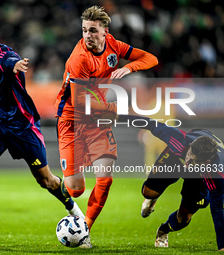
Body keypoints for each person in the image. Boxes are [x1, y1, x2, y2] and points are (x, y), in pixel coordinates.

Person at [0, 13, 83, 245]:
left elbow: (8, 63)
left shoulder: (7, 56)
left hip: (23, 126)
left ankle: (77, 214)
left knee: (46, 180)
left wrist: (17, 65)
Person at [54, 5, 158, 248]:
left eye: (92, 30)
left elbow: (151, 58)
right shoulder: (79, 58)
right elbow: (80, 102)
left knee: (105, 179)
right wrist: (115, 110)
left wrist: (127, 67)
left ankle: (84, 230)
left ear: (104, 32)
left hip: (96, 122)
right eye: (84, 31)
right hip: (71, 120)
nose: (87, 35)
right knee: (76, 190)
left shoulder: (113, 45)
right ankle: (59, 187)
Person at [117, 114, 224, 251]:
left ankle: (163, 230)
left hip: (199, 178)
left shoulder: (216, 173)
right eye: (189, 155)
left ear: (207, 162)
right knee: (148, 192)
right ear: (190, 147)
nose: (188, 161)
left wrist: (222, 246)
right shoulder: (180, 141)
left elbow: (217, 209)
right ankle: (152, 199)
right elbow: (150, 123)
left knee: (183, 219)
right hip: (174, 159)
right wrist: (118, 117)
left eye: (193, 161)